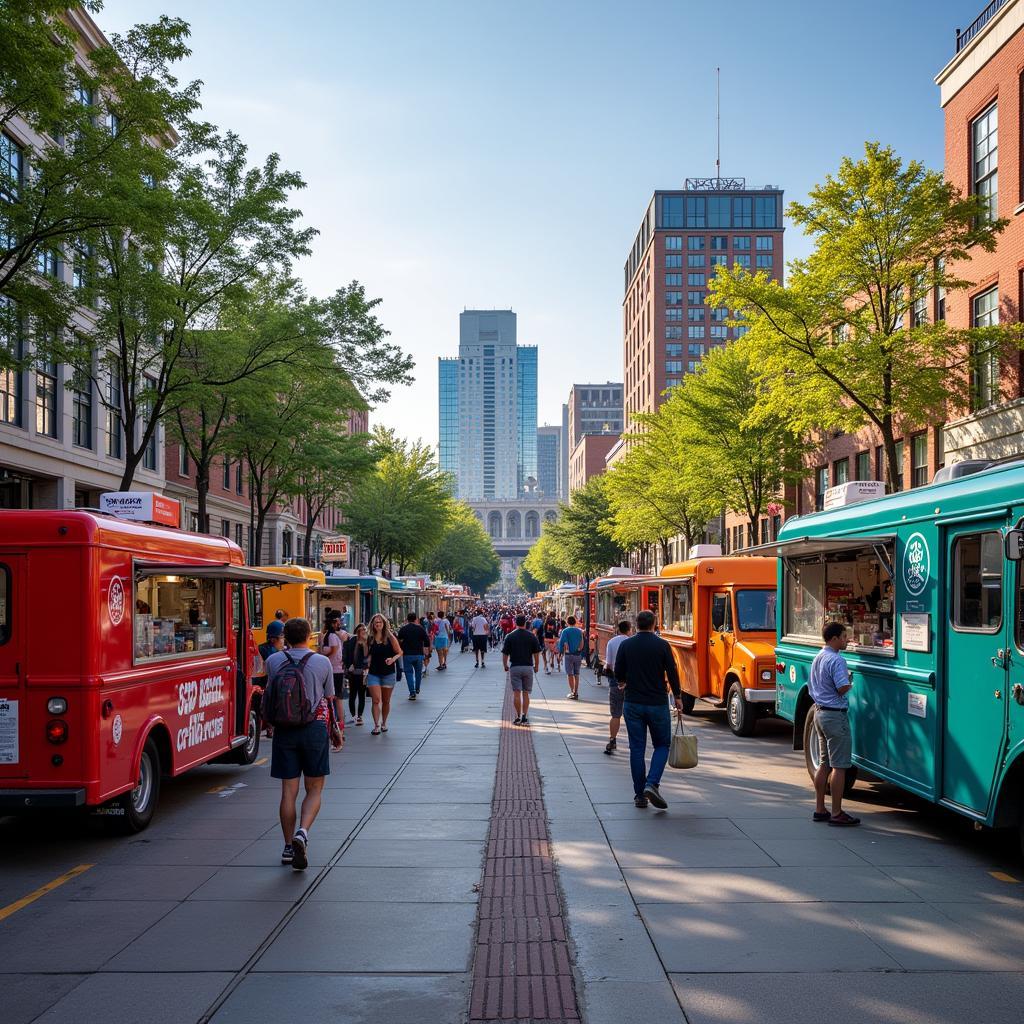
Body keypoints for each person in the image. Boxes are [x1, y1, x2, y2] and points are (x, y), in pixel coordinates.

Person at [263, 617, 342, 870]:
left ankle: (287, 846)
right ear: (309, 635)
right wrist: (336, 729)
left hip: (285, 729)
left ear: (285, 636)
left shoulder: (274, 661)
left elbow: (270, 692)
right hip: (315, 729)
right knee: (315, 789)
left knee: (288, 791)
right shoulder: (321, 662)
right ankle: (303, 832)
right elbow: (329, 698)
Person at [614, 609, 683, 810]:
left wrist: (622, 681)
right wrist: (677, 696)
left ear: (636, 624)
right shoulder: (662, 645)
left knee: (637, 748)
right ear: (654, 624)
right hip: (657, 702)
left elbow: (618, 670)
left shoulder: (626, 644)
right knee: (662, 744)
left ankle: (639, 795)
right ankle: (652, 783)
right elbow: (672, 671)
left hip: (633, 702)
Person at [809, 623, 860, 827]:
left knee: (824, 764)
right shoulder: (837, 660)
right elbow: (842, 688)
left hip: (819, 714)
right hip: (834, 716)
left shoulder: (818, 657)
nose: (846, 640)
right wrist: (850, 680)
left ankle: (820, 809)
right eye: (844, 636)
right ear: (834, 639)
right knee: (839, 766)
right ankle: (837, 812)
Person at [366, 613, 402, 734]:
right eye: (376, 623)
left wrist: (392, 659)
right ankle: (376, 725)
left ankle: (384, 723)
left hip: (388, 673)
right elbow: (367, 654)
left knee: (386, 701)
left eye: (380, 622)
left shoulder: (390, 637)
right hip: (373, 673)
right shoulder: (370, 638)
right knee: (376, 700)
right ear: (373, 625)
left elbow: (400, 652)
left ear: (384, 624)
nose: (378, 624)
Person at [502, 614, 541, 726]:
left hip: (515, 667)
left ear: (516, 623)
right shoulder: (532, 636)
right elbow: (536, 653)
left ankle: (518, 716)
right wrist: (537, 665)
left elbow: (505, 653)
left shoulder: (510, 636)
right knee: (526, 693)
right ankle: (524, 716)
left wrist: (505, 665)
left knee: (516, 693)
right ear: (525, 623)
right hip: (528, 667)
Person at [603, 620, 631, 755]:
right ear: (629, 629)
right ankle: (633, 741)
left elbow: (608, 664)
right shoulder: (632, 642)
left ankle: (612, 740)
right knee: (631, 714)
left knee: (615, 714)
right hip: (630, 682)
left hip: (615, 680)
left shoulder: (611, 642)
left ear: (618, 629)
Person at [258, 620, 286, 738]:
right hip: (264, 684)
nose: (283, 639)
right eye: (282, 637)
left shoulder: (264, 648)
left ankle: (270, 727)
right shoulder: (267, 651)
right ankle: (269, 727)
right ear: (273, 639)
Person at [320, 613, 348, 728]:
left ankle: (339, 721)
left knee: (335, 696)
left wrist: (323, 655)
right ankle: (339, 721)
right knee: (337, 696)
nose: (339, 624)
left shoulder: (331, 636)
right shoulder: (331, 635)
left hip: (334, 668)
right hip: (335, 668)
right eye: (337, 622)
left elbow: (334, 650)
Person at [397, 612, 430, 700]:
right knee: (418, 672)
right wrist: (426, 650)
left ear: (407, 619)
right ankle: (417, 688)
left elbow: (399, 639)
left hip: (407, 654)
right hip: (419, 654)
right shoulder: (420, 629)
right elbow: (427, 640)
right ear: (416, 619)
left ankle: (412, 693)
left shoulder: (403, 629)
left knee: (409, 673)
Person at [343, 623, 369, 724]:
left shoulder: (367, 642)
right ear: (357, 632)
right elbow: (346, 655)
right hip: (352, 672)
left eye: (364, 630)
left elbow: (367, 656)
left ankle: (359, 716)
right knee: (353, 694)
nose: (363, 632)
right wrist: (349, 665)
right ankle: (354, 715)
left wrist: (365, 643)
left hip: (363, 672)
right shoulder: (351, 641)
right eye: (361, 630)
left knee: (362, 695)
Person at [558, 615, 586, 700]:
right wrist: (579, 650)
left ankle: (572, 691)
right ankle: (576, 692)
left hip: (569, 655)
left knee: (570, 674)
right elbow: (582, 644)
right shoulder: (579, 631)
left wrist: (561, 653)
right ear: (575, 622)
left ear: (567, 622)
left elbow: (564, 643)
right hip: (577, 655)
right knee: (576, 674)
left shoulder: (565, 631)